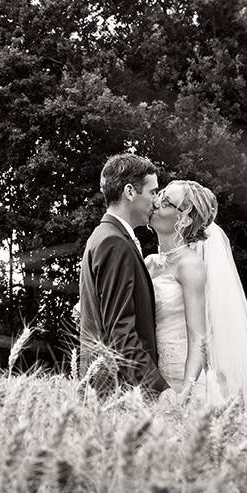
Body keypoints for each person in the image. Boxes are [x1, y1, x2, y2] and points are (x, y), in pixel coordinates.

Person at [145, 180, 247, 408]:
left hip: (184, 380)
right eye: (160, 195)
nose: (156, 202)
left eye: (166, 202)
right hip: (154, 380)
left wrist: (185, 390)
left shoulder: (190, 265)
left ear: (184, 219)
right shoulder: (148, 263)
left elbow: (198, 339)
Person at [79, 154, 170, 395]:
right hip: (117, 391)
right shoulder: (114, 243)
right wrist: (159, 389)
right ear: (130, 192)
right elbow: (121, 333)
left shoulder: (106, 236)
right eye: (152, 192)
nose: (156, 202)